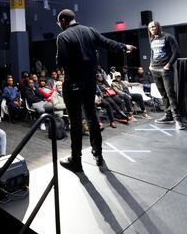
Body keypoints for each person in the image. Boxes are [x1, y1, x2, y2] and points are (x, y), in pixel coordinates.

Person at [55, 9, 135, 172]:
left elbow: (61, 62)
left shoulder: (62, 36)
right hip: (89, 83)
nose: (59, 26)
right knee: (92, 118)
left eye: (59, 23)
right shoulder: (89, 30)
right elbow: (108, 43)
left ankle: (76, 161)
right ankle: (98, 155)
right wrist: (124, 47)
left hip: (72, 85)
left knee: (75, 122)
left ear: (63, 20)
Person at [148, 21, 184, 130]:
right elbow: (152, 53)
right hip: (155, 69)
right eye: (150, 27)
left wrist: (168, 65)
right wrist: (150, 65)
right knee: (163, 94)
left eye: (154, 26)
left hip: (165, 70)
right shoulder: (152, 39)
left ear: (158, 27)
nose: (152, 28)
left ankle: (177, 119)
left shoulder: (168, 37)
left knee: (170, 94)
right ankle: (168, 116)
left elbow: (176, 52)